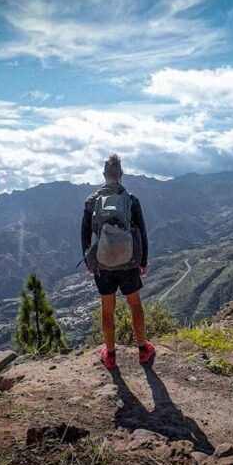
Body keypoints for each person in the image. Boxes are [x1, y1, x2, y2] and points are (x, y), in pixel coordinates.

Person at [81, 154, 154, 370]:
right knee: (135, 305)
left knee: (107, 309)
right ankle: (143, 349)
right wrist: (142, 261)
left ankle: (111, 355)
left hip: (103, 263)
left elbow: (85, 234)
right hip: (129, 262)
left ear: (104, 174)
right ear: (121, 174)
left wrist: (89, 261)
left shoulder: (92, 201)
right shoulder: (131, 200)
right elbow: (141, 232)